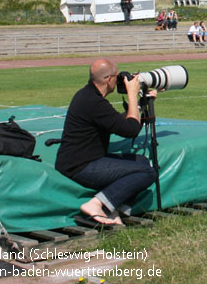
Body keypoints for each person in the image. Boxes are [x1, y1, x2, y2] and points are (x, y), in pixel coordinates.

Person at [55, 59, 156, 226]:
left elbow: (120, 122)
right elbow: (130, 130)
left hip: (81, 160)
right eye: (117, 77)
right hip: (80, 166)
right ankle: (95, 204)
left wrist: (140, 103)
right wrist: (131, 94)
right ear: (109, 79)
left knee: (142, 162)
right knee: (148, 173)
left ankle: (112, 208)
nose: (119, 81)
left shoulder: (88, 95)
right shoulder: (93, 102)